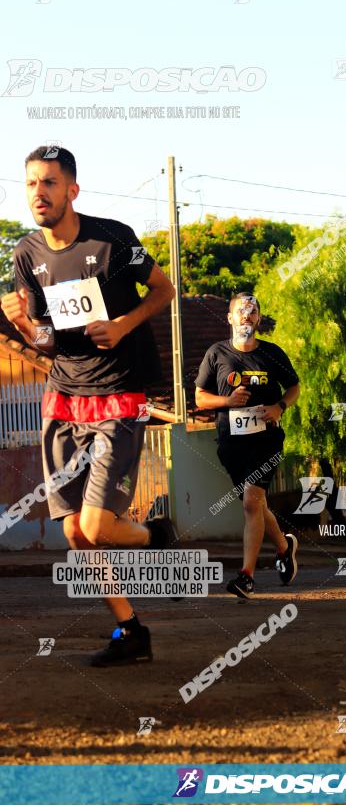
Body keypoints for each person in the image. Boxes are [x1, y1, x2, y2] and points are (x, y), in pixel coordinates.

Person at [0, 145, 176, 665]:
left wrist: (123, 324)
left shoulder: (113, 238)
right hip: (64, 397)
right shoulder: (26, 255)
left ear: (72, 190)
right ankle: (131, 632)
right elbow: (46, 341)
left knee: (99, 526)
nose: (39, 193)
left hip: (119, 393)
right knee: (75, 531)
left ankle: (155, 536)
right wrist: (24, 326)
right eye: (31, 183)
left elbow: (164, 290)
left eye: (49, 183)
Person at [195, 293, 300, 599]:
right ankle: (283, 546)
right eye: (241, 311)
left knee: (251, 502)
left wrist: (280, 406)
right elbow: (200, 397)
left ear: (259, 318)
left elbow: (294, 386)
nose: (247, 316)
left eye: (253, 312)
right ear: (229, 317)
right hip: (230, 443)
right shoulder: (216, 354)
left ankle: (246, 576)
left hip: (266, 440)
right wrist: (227, 401)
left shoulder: (272, 353)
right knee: (256, 503)